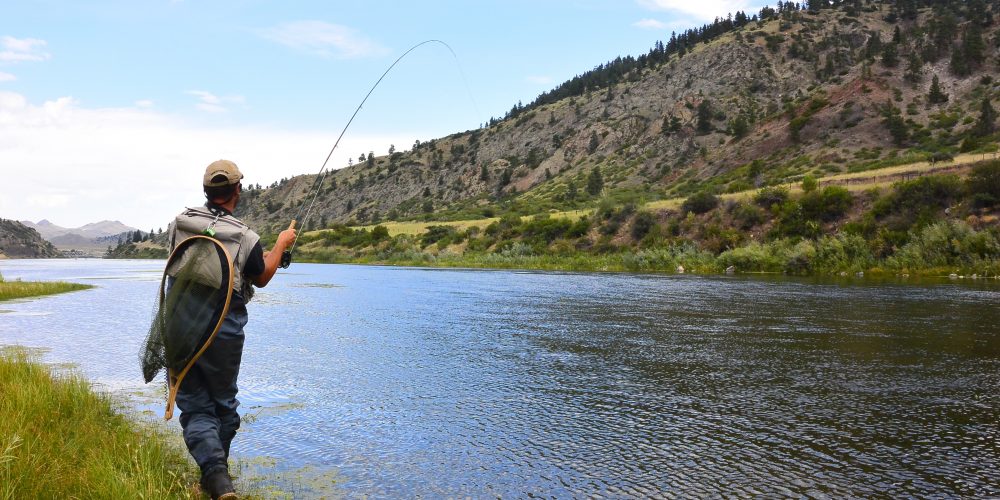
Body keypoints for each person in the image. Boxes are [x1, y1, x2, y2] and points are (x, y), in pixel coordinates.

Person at [166, 159, 297, 499]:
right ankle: (218, 479)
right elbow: (262, 276)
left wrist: (263, 254)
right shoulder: (246, 237)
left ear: (206, 191)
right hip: (223, 333)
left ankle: (215, 478)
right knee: (223, 406)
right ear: (238, 190)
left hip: (179, 328)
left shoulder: (180, 223)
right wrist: (282, 242)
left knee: (195, 405)